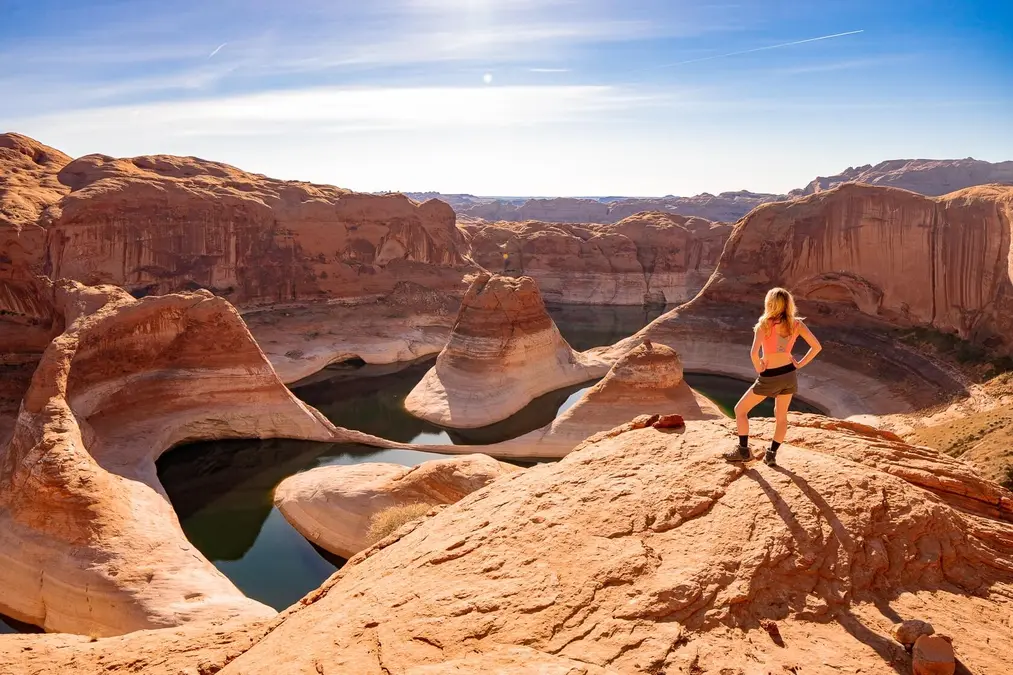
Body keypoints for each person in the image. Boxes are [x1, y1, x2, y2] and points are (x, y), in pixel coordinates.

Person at [724, 287, 821, 466]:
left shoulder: (765, 324)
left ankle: (743, 451)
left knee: (740, 410)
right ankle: (771, 454)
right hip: (789, 374)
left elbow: (753, 353)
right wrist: (799, 364)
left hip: (770, 376)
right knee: (781, 416)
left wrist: (760, 368)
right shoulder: (797, 324)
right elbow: (816, 347)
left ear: (770, 303)